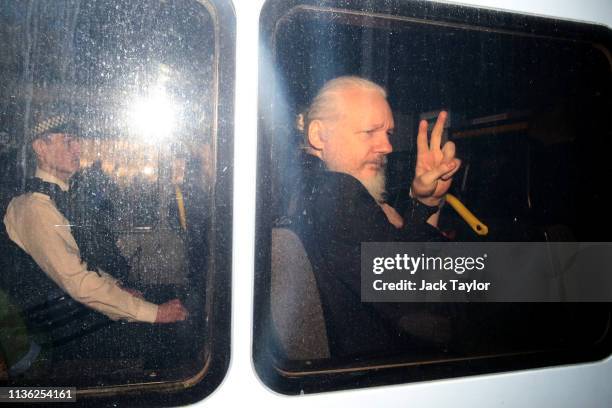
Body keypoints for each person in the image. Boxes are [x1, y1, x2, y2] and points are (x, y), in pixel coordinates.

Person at [1, 110, 187, 374]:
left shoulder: (57, 199)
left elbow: (80, 263)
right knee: (173, 335)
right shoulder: (34, 207)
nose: (78, 147)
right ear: (40, 147)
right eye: (68, 141)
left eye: (77, 140)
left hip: (75, 316)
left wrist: (116, 286)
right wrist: (154, 313)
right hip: (64, 333)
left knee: (169, 298)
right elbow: (78, 282)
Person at [287, 76, 461, 358]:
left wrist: (426, 202)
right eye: (370, 132)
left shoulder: (302, 190)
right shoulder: (340, 195)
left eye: (388, 134)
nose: (387, 147)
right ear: (319, 135)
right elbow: (435, 306)